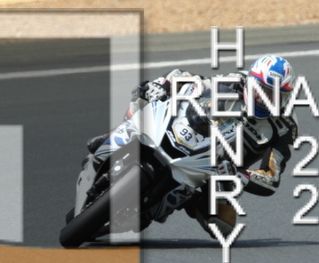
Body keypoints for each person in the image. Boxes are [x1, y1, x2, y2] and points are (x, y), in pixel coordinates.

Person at [87, 55, 299, 238]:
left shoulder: (285, 127)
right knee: (147, 97)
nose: (264, 99)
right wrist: (160, 86)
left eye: (274, 95)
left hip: (220, 170)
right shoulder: (235, 82)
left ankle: (187, 201)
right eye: (260, 90)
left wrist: (239, 175)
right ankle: (117, 133)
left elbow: (271, 178)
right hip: (196, 136)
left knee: (223, 224)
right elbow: (189, 80)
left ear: (286, 96)